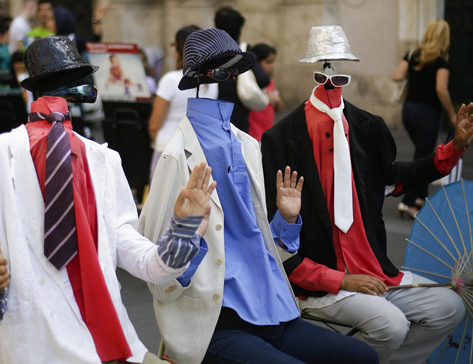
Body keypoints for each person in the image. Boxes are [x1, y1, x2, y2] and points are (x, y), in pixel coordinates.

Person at [0, 35, 215, 364]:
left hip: (107, 341)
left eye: (74, 83)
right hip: (32, 346)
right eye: (64, 83)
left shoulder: (103, 161)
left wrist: (184, 229)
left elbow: (146, 262)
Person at [139, 28, 378, 364]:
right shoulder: (175, 156)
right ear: (203, 78)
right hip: (217, 322)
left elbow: (262, 243)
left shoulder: (247, 144)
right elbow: (158, 270)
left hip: (276, 308)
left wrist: (286, 220)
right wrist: (189, 235)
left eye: (235, 70)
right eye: (223, 72)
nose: (231, 80)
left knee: (362, 357)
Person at [261, 25, 473, 364]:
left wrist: (455, 147)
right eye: (324, 77)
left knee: (450, 306)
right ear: (316, 76)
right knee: (391, 325)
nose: (332, 85)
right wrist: (343, 280)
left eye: (339, 78)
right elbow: (275, 243)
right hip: (322, 285)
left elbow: (397, 178)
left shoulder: (368, 127)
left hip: (378, 273)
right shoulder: (280, 139)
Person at [392, 19, 457, 218]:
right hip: (428, 113)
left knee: (424, 154)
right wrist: (453, 115)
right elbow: (441, 90)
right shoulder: (440, 60)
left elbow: (397, 75)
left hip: (409, 111)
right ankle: (408, 202)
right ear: (444, 37)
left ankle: (420, 196)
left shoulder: (413, 54)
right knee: (423, 158)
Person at [148, 25, 219, 181]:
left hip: (167, 149)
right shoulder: (212, 82)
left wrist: (156, 140)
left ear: (180, 49)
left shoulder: (171, 79)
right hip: (198, 150)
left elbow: (155, 124)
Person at [214, 7, 270, 133]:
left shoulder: (210, 51)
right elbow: (263, 79)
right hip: (238, 113)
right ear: (240, 28)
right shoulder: (243, 50)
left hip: (213, 112)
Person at [248, 43, 284, 141]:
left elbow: (279, 109)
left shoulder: (270, 82)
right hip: (253, 136)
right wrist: (266, 97)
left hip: (266, 134)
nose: (272, 66)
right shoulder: (250, 84)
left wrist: (277, 99)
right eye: (268, 62)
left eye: (273, 62)